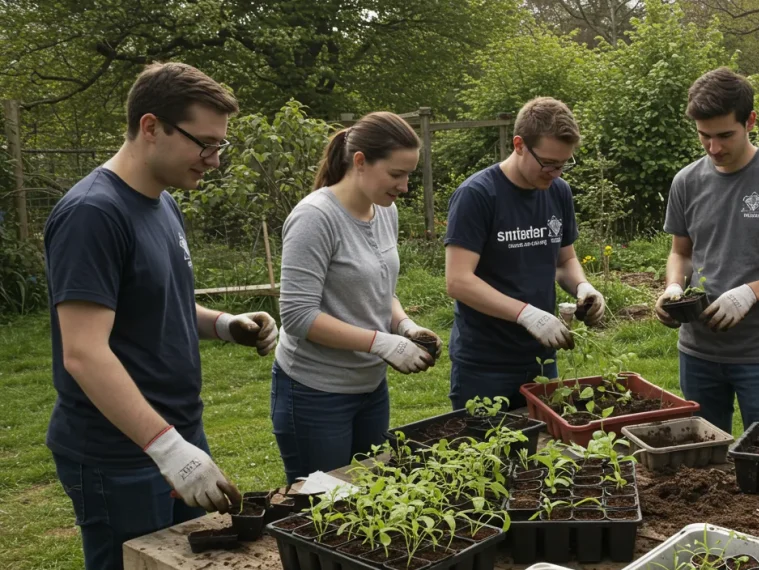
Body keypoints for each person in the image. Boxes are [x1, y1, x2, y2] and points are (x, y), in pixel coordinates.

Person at [43, 62, 278, 570]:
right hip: (120, 452)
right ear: (152, 128)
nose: (214, 160)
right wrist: (168, 450)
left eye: (220, 146)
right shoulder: (92, 214)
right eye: (205, 144)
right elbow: (84, 352)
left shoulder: (162, 202)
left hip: (174, 432)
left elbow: (156, 300)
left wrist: (222, 324)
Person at [272, 112, 439, 484]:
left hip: (369, 387)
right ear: (360, 161)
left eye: (409, 174)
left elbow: (379, 287)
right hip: (315, 393)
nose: (405, 186)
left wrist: (404, 325)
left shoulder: (385, 211)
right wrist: (381, 342)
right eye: (396, 174)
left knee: (371, 493)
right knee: (320, 505)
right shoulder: (315, 218)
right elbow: (298, 316)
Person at [654, 67, 759, 435]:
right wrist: (672, 287)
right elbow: (681, 252)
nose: (714, 148)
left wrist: (750, 293)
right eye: (704, 136)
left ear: (751, 122)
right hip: (697, 350)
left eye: (725, 135)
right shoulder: (686, 181)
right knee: (701, 461)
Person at [444, 97, 606, 411]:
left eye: (563, 164)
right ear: (519, 145)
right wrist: (526, 314)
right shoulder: (477, 195)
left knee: (544, 455)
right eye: (548, 163)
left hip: (542, 356)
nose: (556, 173)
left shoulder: (558, 191)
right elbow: (458, 281)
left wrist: (583, 287)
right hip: (485, 363)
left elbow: (565, 260)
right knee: (485, 456)